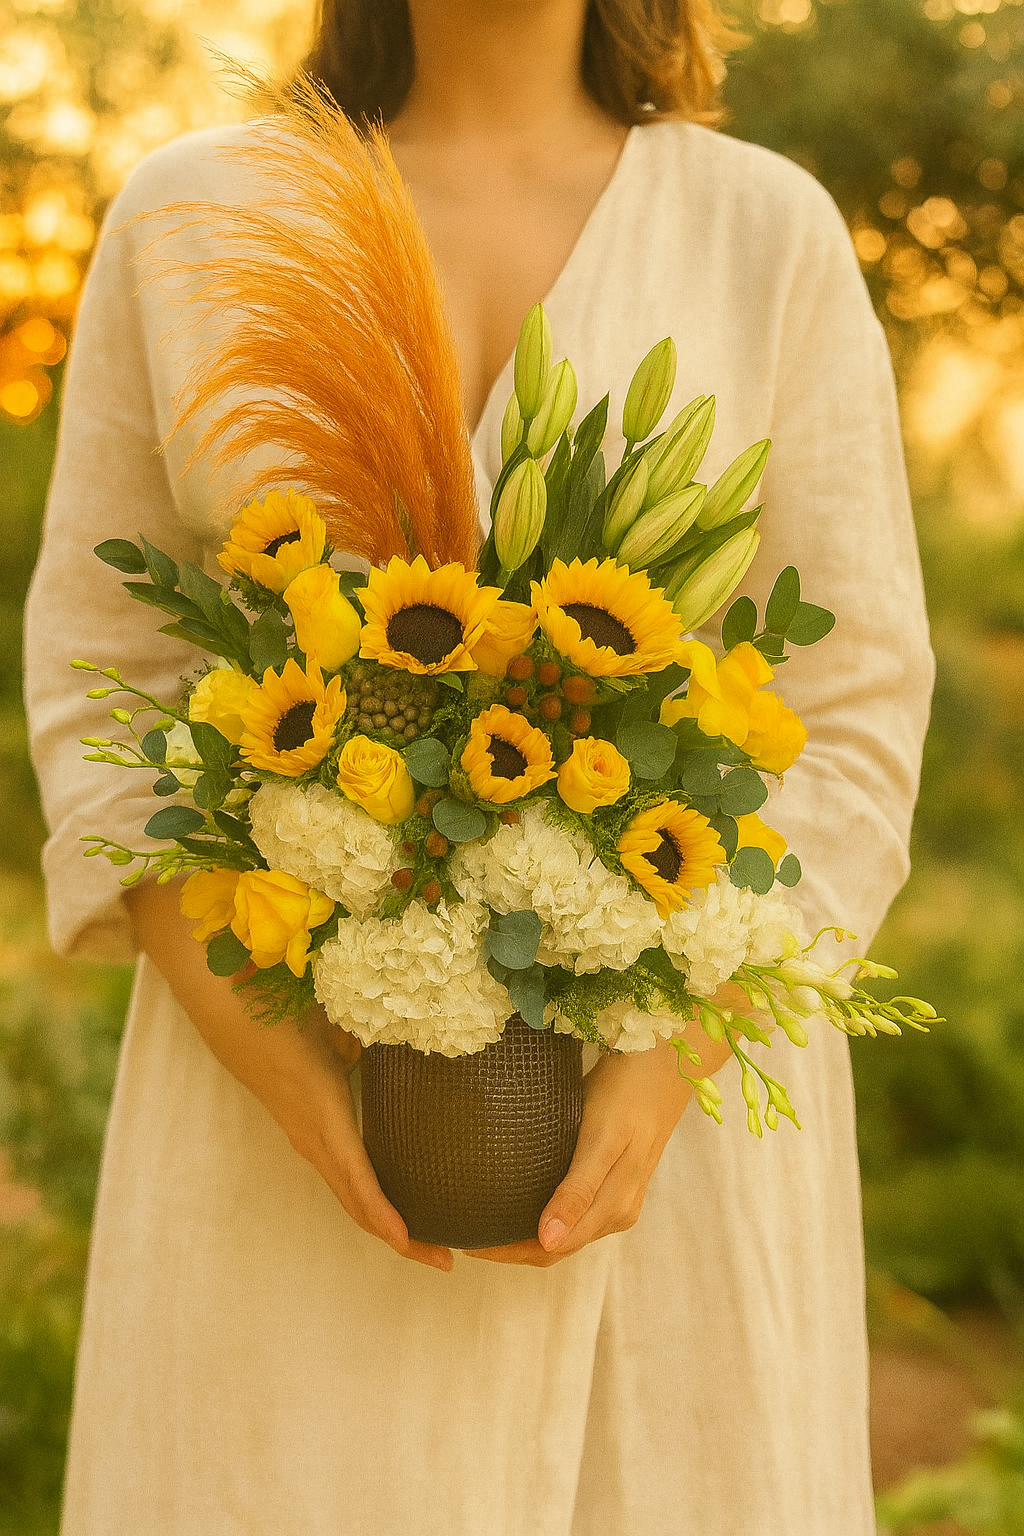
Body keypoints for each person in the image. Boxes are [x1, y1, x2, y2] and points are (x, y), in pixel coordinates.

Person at [24, 0, 934, 1530]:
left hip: (676, 1169)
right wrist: (276, 1063)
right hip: (269, 1131)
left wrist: (672, 1057)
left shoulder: (762, 230)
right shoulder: (191, 214)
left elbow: (854, 703)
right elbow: (101, 677)